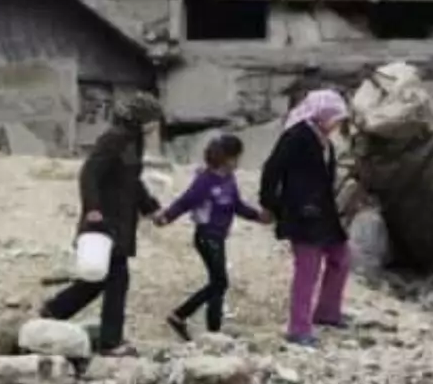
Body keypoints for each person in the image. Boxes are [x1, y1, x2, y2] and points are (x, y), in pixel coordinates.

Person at [42, 94, 164, 356]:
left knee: (98, 279)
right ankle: (110, 342)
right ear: (138, 119)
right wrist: (93, 209)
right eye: (151, 120)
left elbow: (132, 180)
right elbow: (89, 173)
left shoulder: (132, 141)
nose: (153, 126)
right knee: (117, 279)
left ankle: (54, 311)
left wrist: (150, 208)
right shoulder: (114, 138)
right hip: (105, 221)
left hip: (120, 221)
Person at [260, 88, 352, 348]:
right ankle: (298, 328)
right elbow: (272, 169)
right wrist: (270, 204)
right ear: (321, 114)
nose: (337, 124)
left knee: (341, 258)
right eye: (334, 117)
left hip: (325, 214)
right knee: (307, 271)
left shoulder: (326, 143)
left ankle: (327, 312)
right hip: (302, 214)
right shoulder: (296, 137)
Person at [155, 132, 267, 340]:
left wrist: (258, 216)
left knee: (217, 282)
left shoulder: (229, 179)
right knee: (219, 282)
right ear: (227, 158)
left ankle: (214, 329)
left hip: (218, 237)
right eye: (236, 158)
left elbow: (237, 205)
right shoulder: (206, 180)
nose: (238, 162)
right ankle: (180, 314)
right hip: (207, 237)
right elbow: (185, 201)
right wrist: (166, 217)